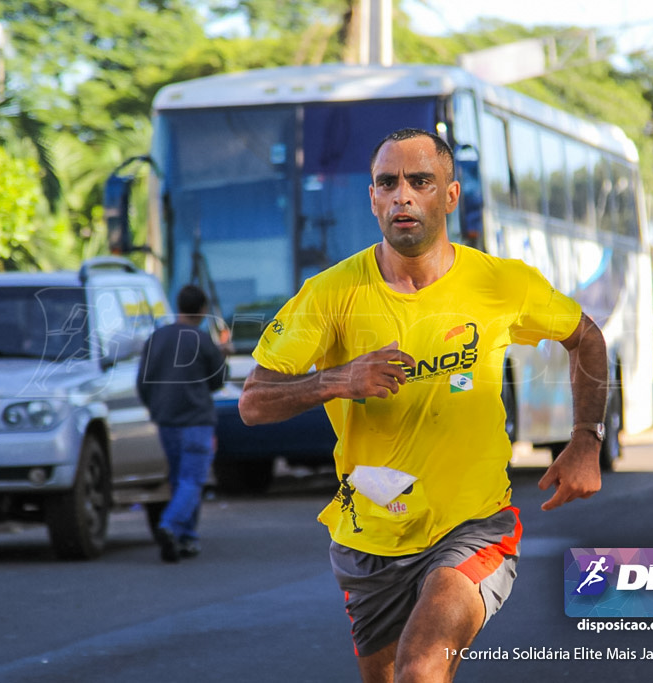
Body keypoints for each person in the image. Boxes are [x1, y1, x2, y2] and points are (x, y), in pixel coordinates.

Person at [238, 128, 607, 683]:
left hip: (473, 523)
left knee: (421, 667)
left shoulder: (499, 283)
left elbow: (587, 337)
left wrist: (586, 440)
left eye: (420, 182)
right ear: (372, 198)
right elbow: (254, 403)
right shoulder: (331, 294)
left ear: (451, 196)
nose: (402, 196)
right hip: (369, 534)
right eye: (388, 183)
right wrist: (336, 380)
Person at [137, 284, 227, 562]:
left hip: (167, 423)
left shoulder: (157, 338)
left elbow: (143, 382)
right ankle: (170, 526)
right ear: (202, 309)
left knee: (178, 479)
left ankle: (187, 538)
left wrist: (157, 408)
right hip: (197, 422)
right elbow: (218, 380)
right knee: (192, 480)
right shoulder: (202, 340)